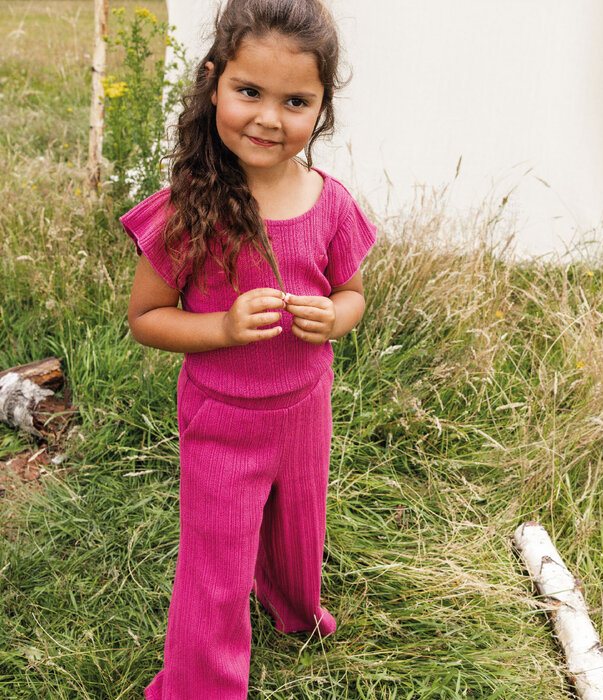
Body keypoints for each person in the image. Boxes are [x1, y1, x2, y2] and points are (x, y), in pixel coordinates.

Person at [120, 0, 377, 697]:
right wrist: (223, 329)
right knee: (216, 566)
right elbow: (147, 318)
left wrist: (336, 317)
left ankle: (292, 608)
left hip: (303, 408)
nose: (268, 117)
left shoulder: (330, 204)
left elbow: (352, 293)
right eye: (248, 92)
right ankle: (200, 684)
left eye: (295, 101)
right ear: (212, 82)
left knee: (300, 524)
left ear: (320, 109)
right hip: (222, 420)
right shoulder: (188, 207)